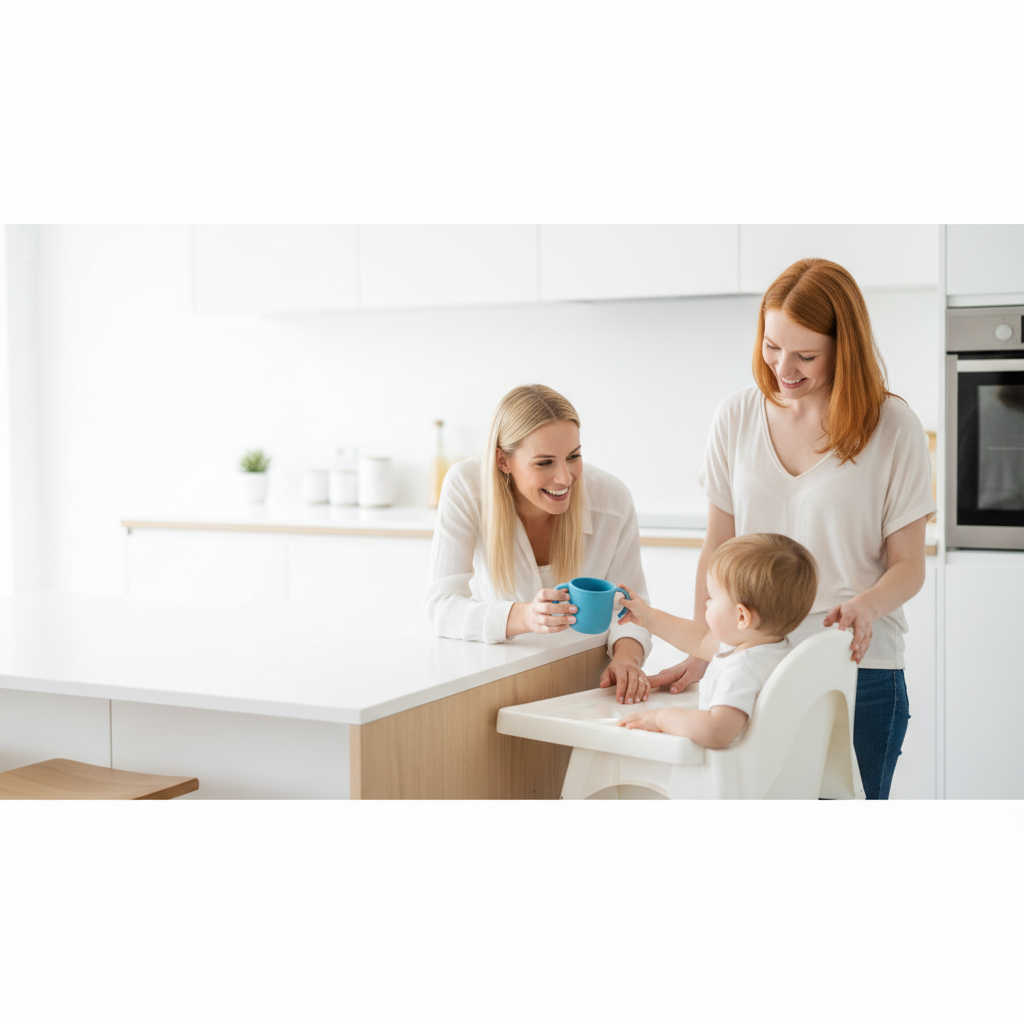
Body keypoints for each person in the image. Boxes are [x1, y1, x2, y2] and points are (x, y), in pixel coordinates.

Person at [648, 258, 937, 798]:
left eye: (806, 355)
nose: (784, 367)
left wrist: (866, 607)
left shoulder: (893, 427)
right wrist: (704, 647)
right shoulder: (735, 416)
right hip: (756, 665)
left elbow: (909, 565)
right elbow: (718, 546)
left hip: (856, 670)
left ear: (843, 349)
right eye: (772, 345)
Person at [425, 384, 653, 705]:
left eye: (573, 457)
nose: (565, 477)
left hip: (591, 684)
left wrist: (627, 659)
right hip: (499, 682)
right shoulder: (467, 487)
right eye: (544, 463)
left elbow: (629, 609)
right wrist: (524, 617)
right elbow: (441, 607)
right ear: (503, 461)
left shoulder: (611, 499)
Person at [616, 533, 818, 747]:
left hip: (735, 776)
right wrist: (647, 616)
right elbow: (698, 639)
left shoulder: (743, 668)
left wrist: (661, 718)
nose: (707, 603)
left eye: (712, 597)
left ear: (741, 617)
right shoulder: (776, 649)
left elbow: (717, 731)